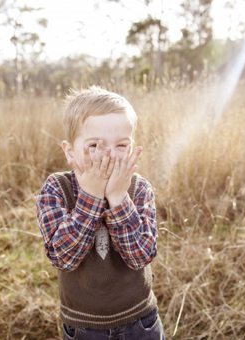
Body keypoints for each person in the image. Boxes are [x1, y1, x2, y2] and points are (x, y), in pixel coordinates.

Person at [35, 86, 165, 340]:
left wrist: (118, 199)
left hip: (140, 321)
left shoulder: (138, 188)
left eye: (121, 145)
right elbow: (64, 257)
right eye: (94, 145)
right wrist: (91, 197)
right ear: (70, 151)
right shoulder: (56, 189)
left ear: (132, 147)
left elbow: (140, 256)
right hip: (84, 328)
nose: (109, 156)